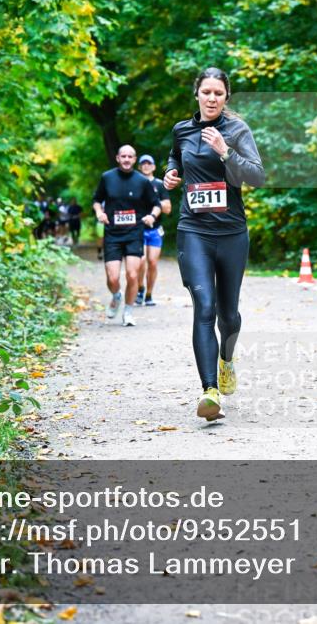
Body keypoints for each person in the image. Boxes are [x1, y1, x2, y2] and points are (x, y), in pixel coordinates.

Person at [163, 67, 266, 421]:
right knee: (203, 306)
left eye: (218, 94)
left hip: (232, 233)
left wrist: (225, 152)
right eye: (206, 92)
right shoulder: (182, 130)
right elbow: (176, 157)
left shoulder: (237, 131)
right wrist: (171, 174)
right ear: (197, 94)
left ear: (226, 98)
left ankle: (227, 359)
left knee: (229, 315)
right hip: (194, 230)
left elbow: (257, 175)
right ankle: (209, 391)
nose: (211, 98)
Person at [93, 145, 162, 327]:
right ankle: (116, 296)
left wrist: (152, 216)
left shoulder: (142, 181)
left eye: (129, 156)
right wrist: (100, 212)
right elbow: (96, 200)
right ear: (117, 158)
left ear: (134, 159)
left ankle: (129, 312)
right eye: (123, 156)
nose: (126, 159)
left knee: (132, 275)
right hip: (112, 234)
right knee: (113, 277)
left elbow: (156, 204)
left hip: (134, 233)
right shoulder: (107, 177)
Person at [135, 154, 172, 306]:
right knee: (141, 261)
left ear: (154, 167)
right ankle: (140, 289)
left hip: (155, 229)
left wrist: (154, 201)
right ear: (139, 167)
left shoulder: (160, 184)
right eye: (143, 164)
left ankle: (149, 295)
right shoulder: (134, 183)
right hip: (138, 229)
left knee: (152, 262)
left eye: (149, 163)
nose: (146, 166)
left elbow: (168, 208)